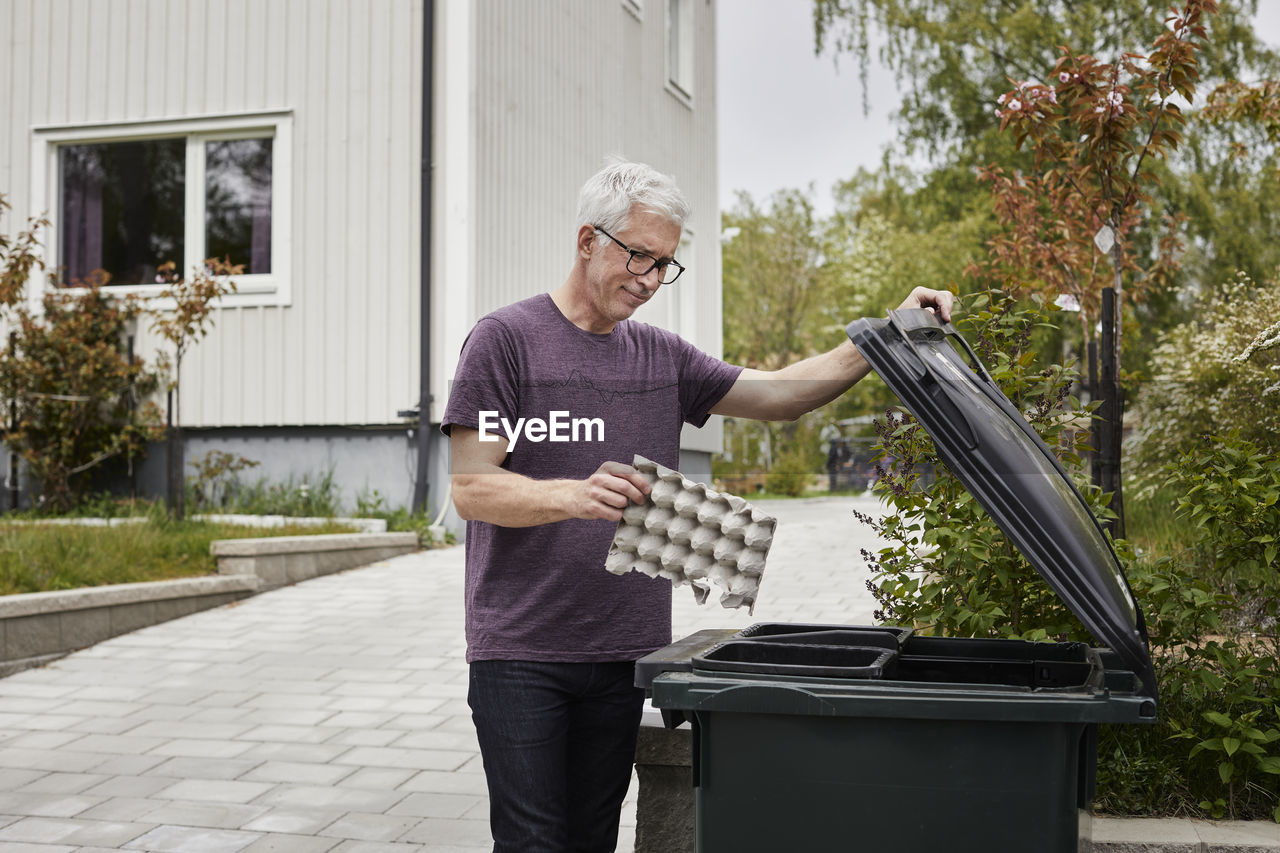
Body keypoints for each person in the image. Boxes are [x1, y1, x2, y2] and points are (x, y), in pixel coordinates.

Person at [441, 160, 953, 852]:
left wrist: (882, 335)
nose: (651, 278)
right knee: (534, 842)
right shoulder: (506, 341)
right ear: (588, 240)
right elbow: (471, 486)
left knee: (592, 838)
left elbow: (779, 394)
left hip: (625, 651)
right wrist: (572, 493)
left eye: (664, 264)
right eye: (639, 256)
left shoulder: (660, 357)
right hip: (521, 652)